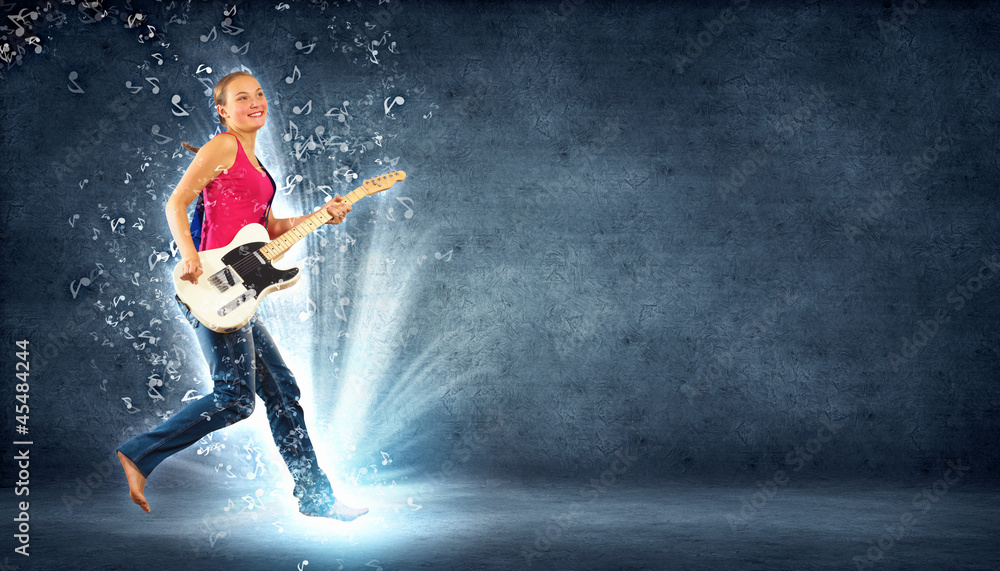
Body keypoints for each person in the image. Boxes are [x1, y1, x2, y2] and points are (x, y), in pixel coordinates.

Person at [117, 71, 367, 521]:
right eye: (241, 97)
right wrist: (189, 254)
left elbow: (268, 233)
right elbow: (175, 203)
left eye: (259, 95)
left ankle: (316, 498)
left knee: (283, 392)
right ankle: (139, 454)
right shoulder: (224, 146)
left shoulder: (256, 165)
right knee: (236, 397)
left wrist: (321, 215)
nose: (255, 102)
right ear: (223, 110)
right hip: (208, 287)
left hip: (239, 291)